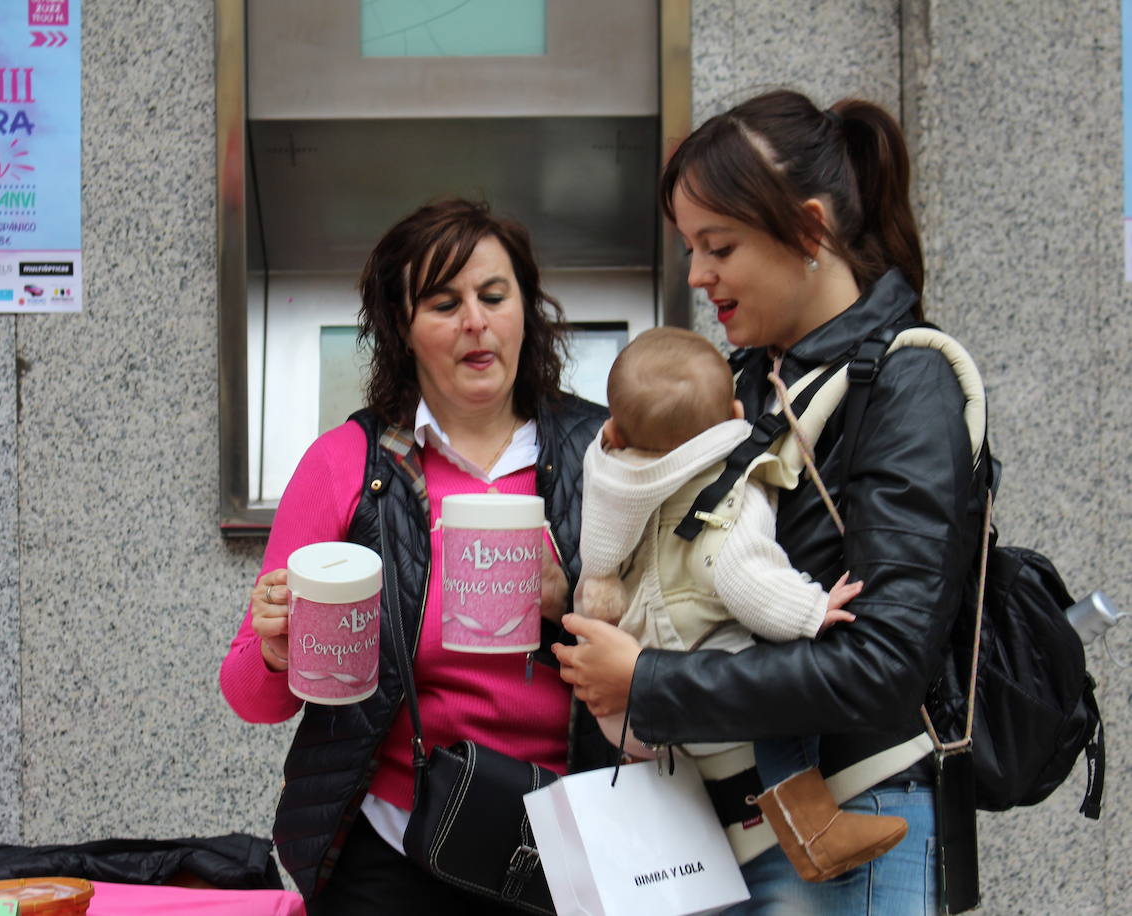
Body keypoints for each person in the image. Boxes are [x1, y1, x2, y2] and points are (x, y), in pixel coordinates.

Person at [555, 89, 988, 913]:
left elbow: (885, 666)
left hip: (857, 827)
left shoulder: (907, 382)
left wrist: (650, 682)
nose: (697, 275)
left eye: (718, 245)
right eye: (689, 247)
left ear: (810, 229)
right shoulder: (745, 385)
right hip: (717, 840)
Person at [220, 198, 610, 914]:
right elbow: (251, 696)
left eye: (494, 296)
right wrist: (278, 648)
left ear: (527, 308)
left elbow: (677, 641)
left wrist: (574, 597)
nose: (475, 321)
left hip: (582, 839)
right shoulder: (347, 462)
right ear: (402, 328)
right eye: (443, 303)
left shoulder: (606, 452)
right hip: (399, 842)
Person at [576, 325, 906, 882]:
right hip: (684, 682)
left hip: (630, 699)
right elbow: (745, 577)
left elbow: (600, 562)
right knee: (778, 694)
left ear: (613, 429)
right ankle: (813, 828)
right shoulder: (730, 490)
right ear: (735, 411)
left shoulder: (611, 479)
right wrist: (812, 610)